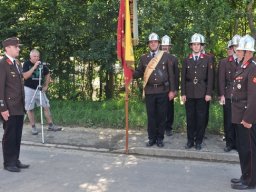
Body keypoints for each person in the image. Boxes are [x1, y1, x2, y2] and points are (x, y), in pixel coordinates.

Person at [133, 32, 175, 147]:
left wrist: (172, 90)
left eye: (155, 42)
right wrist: (129, 71)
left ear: (158, 44)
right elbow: (139, 72)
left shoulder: (166, 56)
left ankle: (160, 139)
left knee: (162, 116)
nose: (153, 44)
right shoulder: (143, 58)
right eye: (151, 42)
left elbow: (171, 75)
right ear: (148, 44)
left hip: (162, 91)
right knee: (151, 116)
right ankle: (151, 138)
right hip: (150, 91)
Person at [230, 34, 256, 190]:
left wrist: (248, 118)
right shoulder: (242, 66)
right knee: (242, 148)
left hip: (246, 116)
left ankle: (251, 180)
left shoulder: (253, 69)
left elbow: (254, 98)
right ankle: (245, 175)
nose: (237, 53)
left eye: (240, 51)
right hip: (238, 113)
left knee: (249, 150)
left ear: (248, 52)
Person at [0, 37, 29, 172]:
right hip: (9, 108)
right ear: (8, 48)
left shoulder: (17, 64)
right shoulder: (2, 64)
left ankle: (15, 160)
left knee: (17, 135)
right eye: (16, 46)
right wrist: (3, 108)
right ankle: (8, 163)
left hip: (18, 106)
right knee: (9, 135)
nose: (18, 49)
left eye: (18, 46)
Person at [181, 33, 214, 150]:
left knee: (201, 118)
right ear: (191, 46)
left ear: (201, 46)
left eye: (198, 44)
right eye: (194, 44)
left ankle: (198, 141)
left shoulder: (207, 59)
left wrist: (209, 93)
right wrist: (183, 93)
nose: (196, 46)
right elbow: (183, 78)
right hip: (189, 93)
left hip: (202, 93)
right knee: (190, 119)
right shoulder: (186, 60)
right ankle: (190, 141)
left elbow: (210, 78)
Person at [23, 49, 61, 135]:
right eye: (34, 56)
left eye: (37, 56)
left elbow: (47, 74)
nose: (36, 58)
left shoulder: (42, 64)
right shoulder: (26, 64)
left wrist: (46, 85)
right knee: (30, 108)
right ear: (30, 57)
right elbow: (25, 76)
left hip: (39, 88)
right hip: (29, 88)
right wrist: (34, 66)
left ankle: (50, 125)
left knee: (46, 105)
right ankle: (33, 127)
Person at [218, 35, 241, 152]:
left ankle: (237, 144)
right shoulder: (224, 62)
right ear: (232, 47)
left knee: (239, 120)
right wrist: (221, 95)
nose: (236, 48)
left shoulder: (247, 61)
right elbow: (221, 80)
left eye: (238, 45)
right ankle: (229, 143)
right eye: (234, 46)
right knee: (228, 120)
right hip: (228, 94)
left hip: (242, 96)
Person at [160, 35, 179, 136]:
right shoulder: (157, 58)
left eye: (166, 46)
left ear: (170, 47)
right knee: (160, 108)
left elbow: (176, 75)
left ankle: (168, 127)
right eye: (163, 46)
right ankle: (161, 127)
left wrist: (175, 89)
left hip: (170, 88)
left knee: (169, 109)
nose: (165, 48)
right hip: (160, 87)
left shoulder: (174, 59)